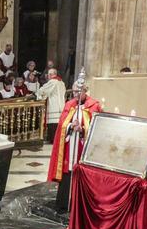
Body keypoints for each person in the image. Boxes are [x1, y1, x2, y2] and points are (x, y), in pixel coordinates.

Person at [46, 70, 102, 213]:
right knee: (68, 173)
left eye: (79, 92)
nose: (76, 94)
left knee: (81, 174)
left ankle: (80, 206)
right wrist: (71, 126)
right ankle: (64, 204)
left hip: (82, 147)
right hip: (69, 146)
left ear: (85, 91)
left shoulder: (94, 105)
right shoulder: (69, 105)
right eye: (74, 91)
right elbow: (62, 126)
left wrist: (82, 129)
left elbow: (96, 129)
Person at [35, 68, 67, 147]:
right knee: (58, 123)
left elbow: (44, 90)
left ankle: (53, 139)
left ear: (51, 75)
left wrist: (37, 94)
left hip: (54, 105)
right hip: (61, 105)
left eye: (48, 74)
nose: (47, 76)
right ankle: (57, 139)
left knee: (53, 123)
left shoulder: (53, 82)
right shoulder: (61, 82)